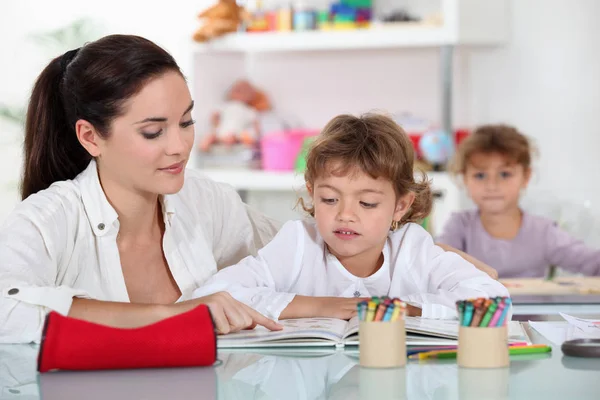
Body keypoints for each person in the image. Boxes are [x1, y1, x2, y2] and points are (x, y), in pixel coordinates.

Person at [0, 34, 286, 343]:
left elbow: (300, 256)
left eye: (186, 122)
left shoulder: (207, 200)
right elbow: (7, 310)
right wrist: (173, 315)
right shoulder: (47, 219)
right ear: (91, 137)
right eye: (153, 132)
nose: (179, 147)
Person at [193, 114, 508, 320]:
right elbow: (213, 296)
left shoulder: (413, 249)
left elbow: (493, 297)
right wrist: (320, 307)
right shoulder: (298, 244)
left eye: (367, 203)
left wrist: (402, 310)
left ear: (400, 206)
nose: (345, 214)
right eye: (329, 199)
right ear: (312, 192)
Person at [437, 124, 600, 278]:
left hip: (530, 309)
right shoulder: (459, 226)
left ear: (526, 177)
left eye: (505, 174)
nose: (492, 185)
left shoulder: (543, 232)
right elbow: (436, 267)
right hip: (475, 309)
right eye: (480, 175)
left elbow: (592, 263)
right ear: (464, 178)